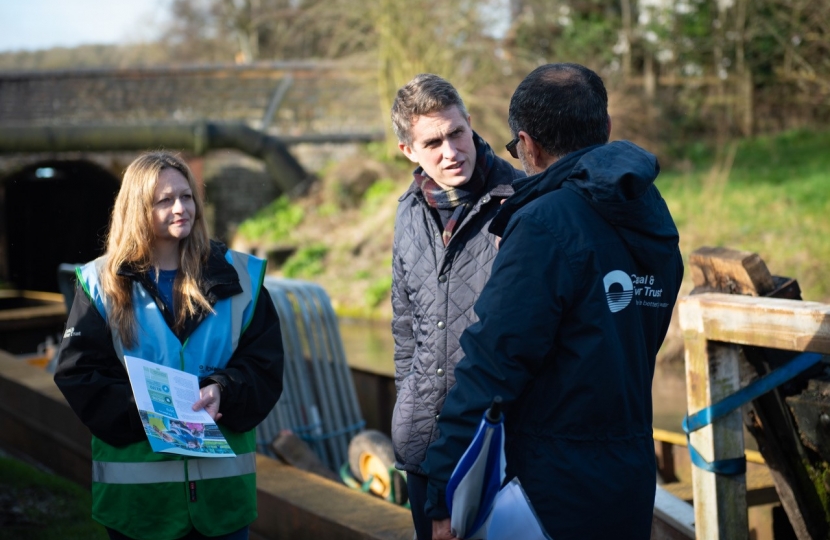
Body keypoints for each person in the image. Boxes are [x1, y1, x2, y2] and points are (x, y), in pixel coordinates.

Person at [422, 63, 684, 539]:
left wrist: (442, 484)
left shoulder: (546, 223)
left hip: (549, 492)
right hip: (627, 479)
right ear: (604, 129)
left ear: (528, 145)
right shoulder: (649, 212)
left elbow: (493, 362)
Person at [54, 151, 284, 540]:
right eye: (165, 200)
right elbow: (80, 375)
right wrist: (148, 411)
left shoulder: (244, 277)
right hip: (140, 506)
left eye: (187, 196)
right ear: (137, 208)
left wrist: (223, 391)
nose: (181, 208)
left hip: (220, 502)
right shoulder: (99, 283)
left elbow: (264, 366)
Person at [389, 73, 525, 540]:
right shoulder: (408, 211)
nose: (450, 151)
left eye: (456, 133)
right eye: (433, 143)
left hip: (498, 441)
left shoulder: (522, 200)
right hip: (424, 440)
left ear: (470, 123)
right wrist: (408, 401)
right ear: (409, 151)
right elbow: (405, 328)